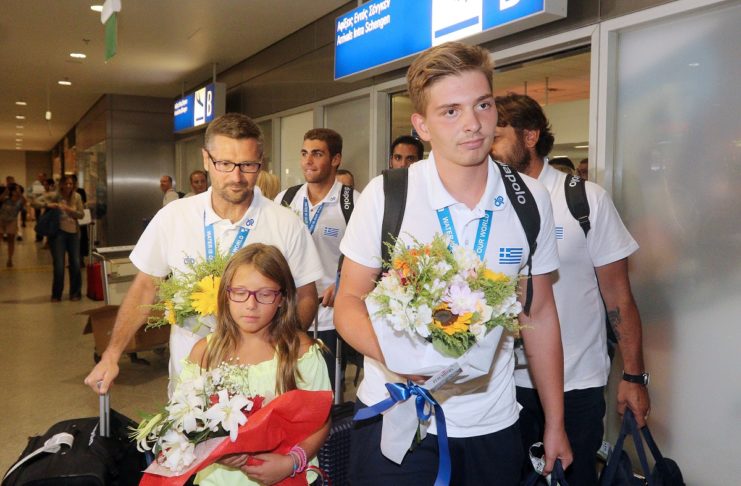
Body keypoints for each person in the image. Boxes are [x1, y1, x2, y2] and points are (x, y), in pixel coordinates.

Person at [335, 42, 571, 485]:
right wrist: (400, 360)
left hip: (492, 423)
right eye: (450, 111)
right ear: (421, 126)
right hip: (399, 416)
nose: (473, 124)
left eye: (483, 105)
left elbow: (539, 314)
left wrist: (555, 423)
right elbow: (348, 302)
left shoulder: (529, 199)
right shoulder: (388, 195)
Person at [84, 113, 323, 397]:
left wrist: (279, 348)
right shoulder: (175, 216)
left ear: (261, 161)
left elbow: (306, 295)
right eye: (225, 164)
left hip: (262, 378)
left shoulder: (285, 223)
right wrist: (112, 354)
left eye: (248, 165)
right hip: (189, 372)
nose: (236, 177)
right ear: (206, 159)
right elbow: (145, 287)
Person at [491, 92, 650, 485]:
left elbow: (619, 297)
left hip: (575, 383)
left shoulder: (583, 200)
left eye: (496, 136)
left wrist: (634, 377)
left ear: (530, 137)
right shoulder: (488, 204)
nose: (486, 145)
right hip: (501, 385)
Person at [184, 243, 331, 485]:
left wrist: (291, 462)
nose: (251, 305)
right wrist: (213, 449)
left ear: (282, 298)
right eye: (240, 292)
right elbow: (186, 419)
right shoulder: (205, 353)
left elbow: (321, 422)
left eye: (265, 294)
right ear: (226, 294)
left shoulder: (301, 352)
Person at [276, 128, 360, 390]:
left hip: (328, 315)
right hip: (288, 312)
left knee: (325, 391)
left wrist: (343, 283)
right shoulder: (286, 199)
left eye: (317, 154)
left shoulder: (353, 203)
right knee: (287, 389)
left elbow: (366, 255)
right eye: (304, 153)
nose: (308, 161)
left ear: (335, 159)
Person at [45, 175, 85, 301]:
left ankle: (75, 293)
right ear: (61, 184)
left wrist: (68, 209)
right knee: (59, 265)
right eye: (66, 183)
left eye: (71, 183)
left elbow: (81, 215)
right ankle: (56, 294)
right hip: (58, 234)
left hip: (73, 233)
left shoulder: (77, 197)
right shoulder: (55, 196)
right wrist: (48, 204)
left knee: (76, 263)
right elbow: (35, 202)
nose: (68, 186)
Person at [0, 183, 26, 267]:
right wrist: (6, 191)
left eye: (17, 190)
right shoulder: (6, 198)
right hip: (1, 220)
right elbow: (0, 199)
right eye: (14, 190)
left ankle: (10, 259)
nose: (15, 191)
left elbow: (25, 202)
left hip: (12, 221)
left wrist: (20, 194)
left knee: (11, 240)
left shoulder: (20, 201)